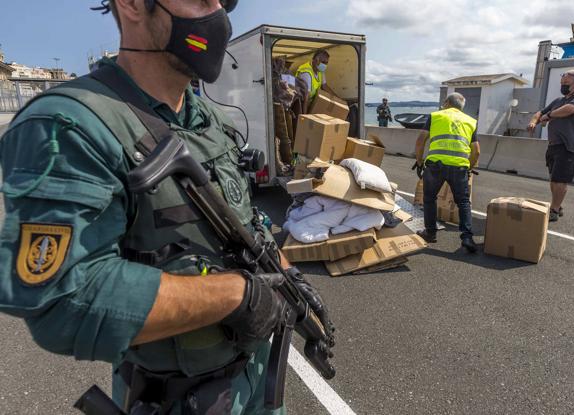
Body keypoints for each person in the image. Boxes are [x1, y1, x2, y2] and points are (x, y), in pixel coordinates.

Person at [0, 1, 332, 414]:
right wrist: (238, 295)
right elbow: (60, 297)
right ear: (134, 5)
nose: (218, 17)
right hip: (177, 400)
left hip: (255, 388)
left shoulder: (209, 120)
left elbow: (246, 218)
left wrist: (287, 275)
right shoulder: (68, 124)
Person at [413, 93, 480, 253]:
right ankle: (467, 237)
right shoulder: (471, 121)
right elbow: (476, 151)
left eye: (444, 103)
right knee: (463, 202)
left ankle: (430, 233)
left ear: (447, 103)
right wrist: (469, 167)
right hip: (459, 167)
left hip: (435, 166)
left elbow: (420, 140)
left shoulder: (435, 116)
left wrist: (420, 161)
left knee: (429, 198)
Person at [527, 70, 574, 222]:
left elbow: (570, 109)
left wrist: (549, 116)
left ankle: (555, 210)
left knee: (560, 180)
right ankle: (558, 205)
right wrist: (534, 121)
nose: (563, 86)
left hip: (570, 145)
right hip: (554, 145)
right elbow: (540, 112)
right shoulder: (558, 101)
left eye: (566, 84)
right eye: (562, 84)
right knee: (554, 178)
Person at [295, 48, 338, 113]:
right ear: (316, 60)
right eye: (323, 62)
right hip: (301, 103)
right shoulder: (306, 73)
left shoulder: (320, 70)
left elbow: (324, 86)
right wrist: (305, 117)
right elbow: (306, 98)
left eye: (326, 63)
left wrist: (338, 99)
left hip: (311, 101)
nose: (325, 65)